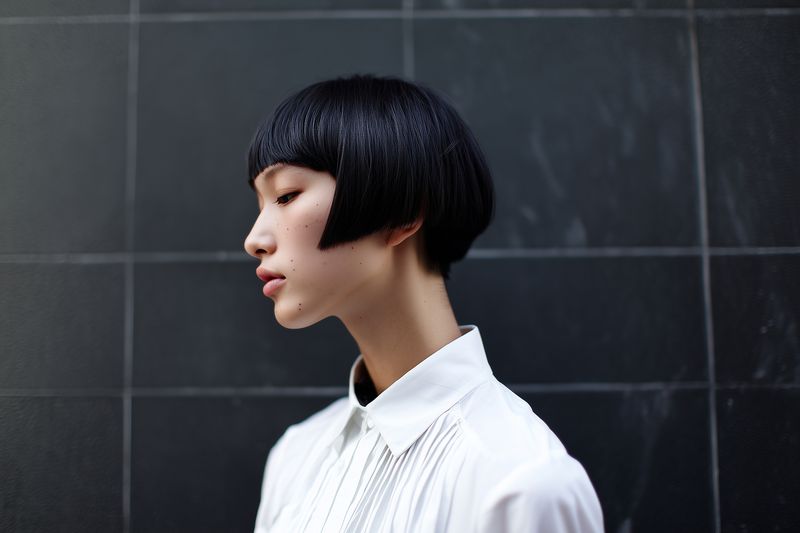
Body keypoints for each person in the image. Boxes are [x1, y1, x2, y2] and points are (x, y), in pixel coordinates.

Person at [244, 73, 604, 532]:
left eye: (286, 195)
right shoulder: (297, 457)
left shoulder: (522, 484)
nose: (254, 239)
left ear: (403, 212)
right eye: (260, 204)